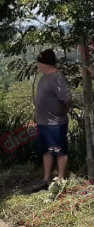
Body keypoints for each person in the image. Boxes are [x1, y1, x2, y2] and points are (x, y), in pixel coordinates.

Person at [31, 49, 73, 189]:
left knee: (59, 150)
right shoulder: (44, 77)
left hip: (55, 123)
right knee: (46, 151)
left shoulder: (57, 77)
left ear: (46, 63)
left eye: (40, 63)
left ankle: (60, 179)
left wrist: (65, 109)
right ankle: (46, 179)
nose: (38, 66)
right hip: (43, 122)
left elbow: (65, 99)